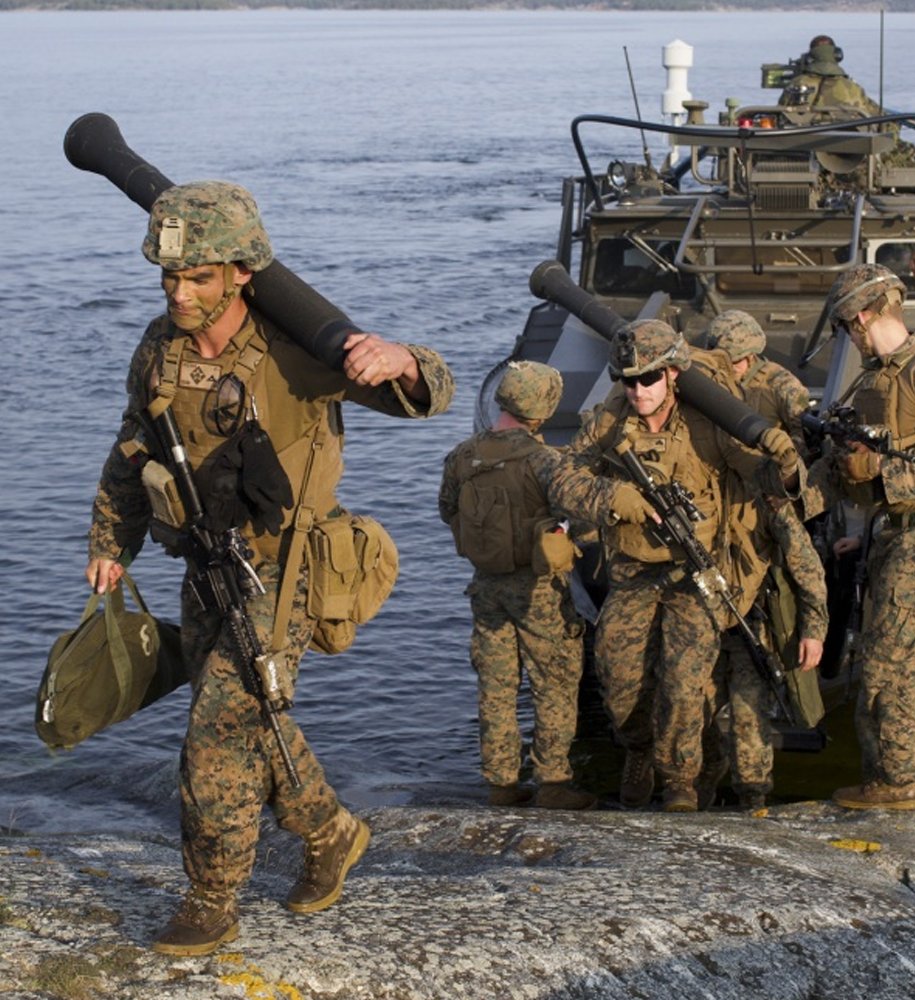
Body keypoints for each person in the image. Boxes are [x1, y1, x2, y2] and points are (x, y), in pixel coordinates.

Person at [85, 180, 455, 955]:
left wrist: (404, 360)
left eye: (198, 278)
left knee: (218, 727)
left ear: (241, 274)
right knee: (258, 711)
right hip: (203, 566)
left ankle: (211, 900)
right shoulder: (161, 348)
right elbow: (132, 448)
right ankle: (329, 832)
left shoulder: (295, 349)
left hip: (288, 571)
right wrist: (110, 545)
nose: (179, 291)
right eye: (169, 276)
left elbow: (427, 395)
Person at [548, 320, 800, 812]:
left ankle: (680, 780)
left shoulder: (706, 421)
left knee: (684, 684)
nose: (636, 390)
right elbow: (562, 476)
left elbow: (757, 473)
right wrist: (614, 496)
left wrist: (785, 463)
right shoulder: (611, 419)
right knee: (618, 679)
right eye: (627, 380)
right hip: (634, 571)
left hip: (695, 575)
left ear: (671, 376)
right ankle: (639, 750)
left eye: (647, 379)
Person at [804, 263, 915, 810]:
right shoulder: (872, 379)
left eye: (844, 326)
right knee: (913, 662)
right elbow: (849, 464)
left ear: (860, 316)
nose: (848, 336)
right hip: (892, 536)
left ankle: (898, 781)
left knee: (886, 669)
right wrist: (805, 487)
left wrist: (882, 473)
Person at [438, 361, 595, 811]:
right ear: (542, 410)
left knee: (497, 686)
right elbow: (583, 521)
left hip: (485, 587)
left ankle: (501, 783)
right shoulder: (546, 461)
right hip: (539, 591)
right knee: (556, 682)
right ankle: (553, 781)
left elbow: (447, 509)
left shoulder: (464, 456)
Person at [701, 492, 828, 814]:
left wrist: (813, 631)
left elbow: (808, 571)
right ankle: (699, 781)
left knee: (748, 712)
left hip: (752, 625)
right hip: (701, 623)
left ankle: (753, 799)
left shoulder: (770, 505)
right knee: (690, 708)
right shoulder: (700, 491)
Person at [707, 310, 812, 457]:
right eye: (721, 360)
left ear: (750, 356)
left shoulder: (782, 385)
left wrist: (781, 455)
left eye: (735, 361)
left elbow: (806, 439)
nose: (727, 367)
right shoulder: (709, 379)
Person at [779, 35, 880, 116]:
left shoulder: (797, 84)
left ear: (809, 57)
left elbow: (782, 111)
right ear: (837, 56)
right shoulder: (853, 88)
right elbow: (873, 114)